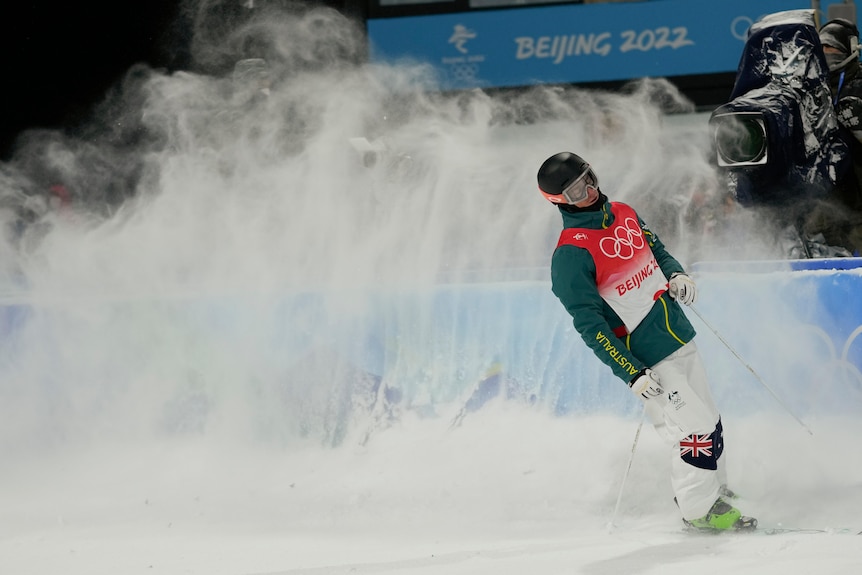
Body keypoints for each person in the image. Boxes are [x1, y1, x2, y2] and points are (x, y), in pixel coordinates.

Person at [537, 152, 756, 532]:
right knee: (693, 431)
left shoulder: (623, 212)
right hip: (648, 358)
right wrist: (632, 372)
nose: (589, 190)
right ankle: (698, 509)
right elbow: (591, 327)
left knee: (710, 420)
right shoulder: (570, 254)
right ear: (559, 201)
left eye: (589, 177)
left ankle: (710, 488)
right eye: (576, 190)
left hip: (676, 331)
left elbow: (656, 250)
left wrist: (677, 274)